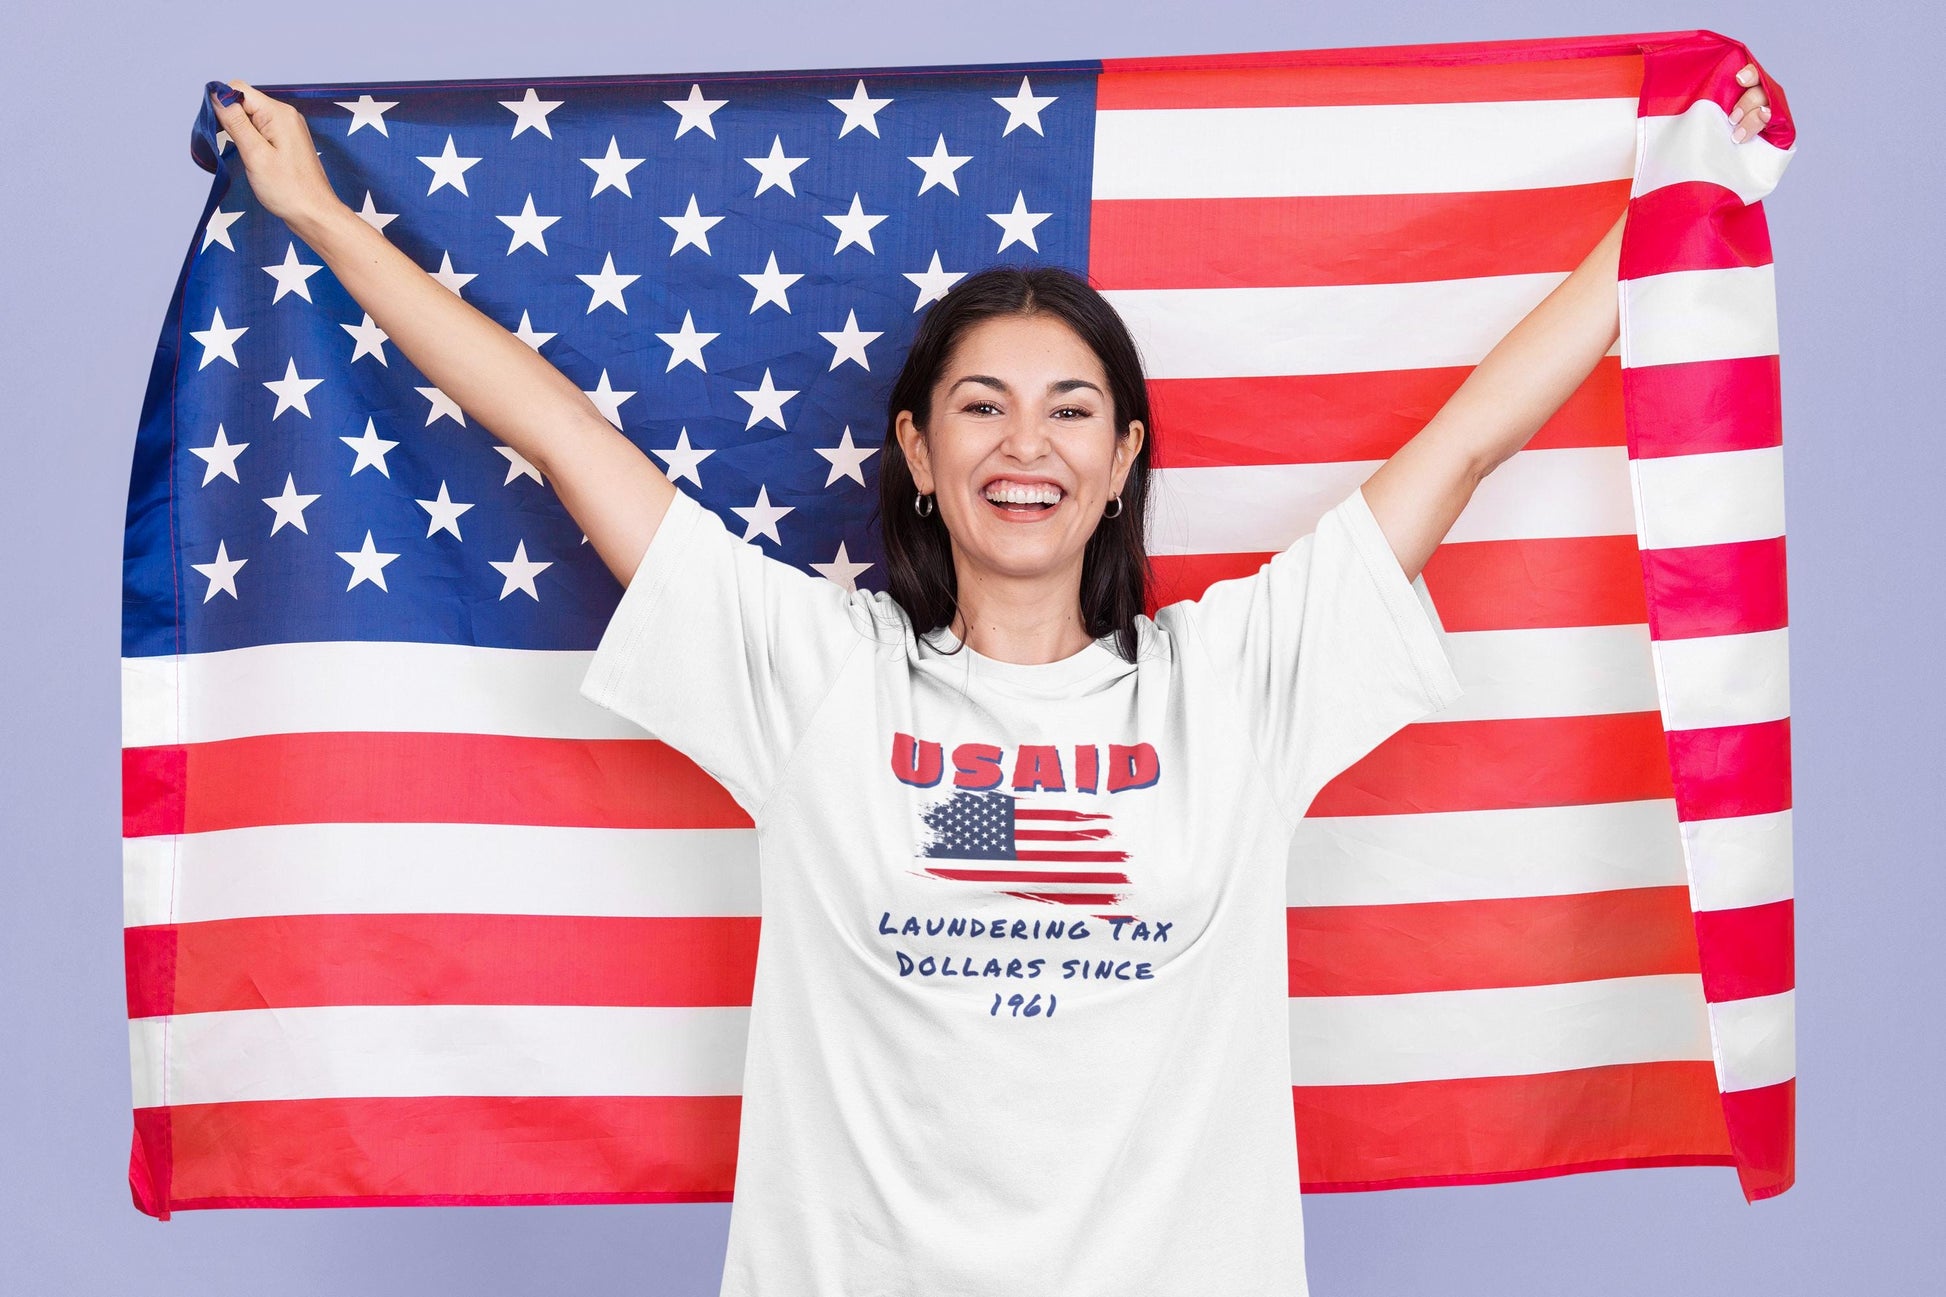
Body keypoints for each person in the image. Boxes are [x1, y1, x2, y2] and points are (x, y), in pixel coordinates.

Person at [208, 67, 1772, 1297]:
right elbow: (563, 437)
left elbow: (1472, 439)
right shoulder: (809, 672)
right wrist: (327, 218)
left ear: (1123, 460)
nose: (1027, 444)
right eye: (980, 406)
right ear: (915, 450)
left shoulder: (1240, 678)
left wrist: (1685, 197)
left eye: (1071, 409)